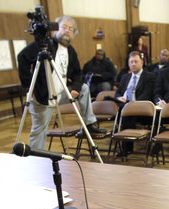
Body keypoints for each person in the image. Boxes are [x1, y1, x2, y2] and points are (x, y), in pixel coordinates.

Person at [18, 16, 104, 150]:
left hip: (60, 93)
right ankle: (38, 157)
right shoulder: (44, 45)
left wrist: (75, 88)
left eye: (71, 29)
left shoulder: (71, 51)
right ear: (55, 29)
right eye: (64, 27)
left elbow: (78, 74)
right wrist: (29, 86)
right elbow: (22, 57)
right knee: (39, 131)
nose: (67, 31)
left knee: (84, 88)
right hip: (42, 97)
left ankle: (89, 123)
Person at [114, 51, 156, 156]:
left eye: (136, 61)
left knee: (128, 115)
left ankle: (127, 148)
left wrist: (130, 104)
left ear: (142, 63)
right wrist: (119, 98)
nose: (133, 64)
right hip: (124, 107)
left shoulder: (149, 76)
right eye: (131, 62)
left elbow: (147, 94)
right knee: (123, 112)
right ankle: (126, 147)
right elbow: (118, 92)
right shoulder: (125, 77)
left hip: (141, 109)